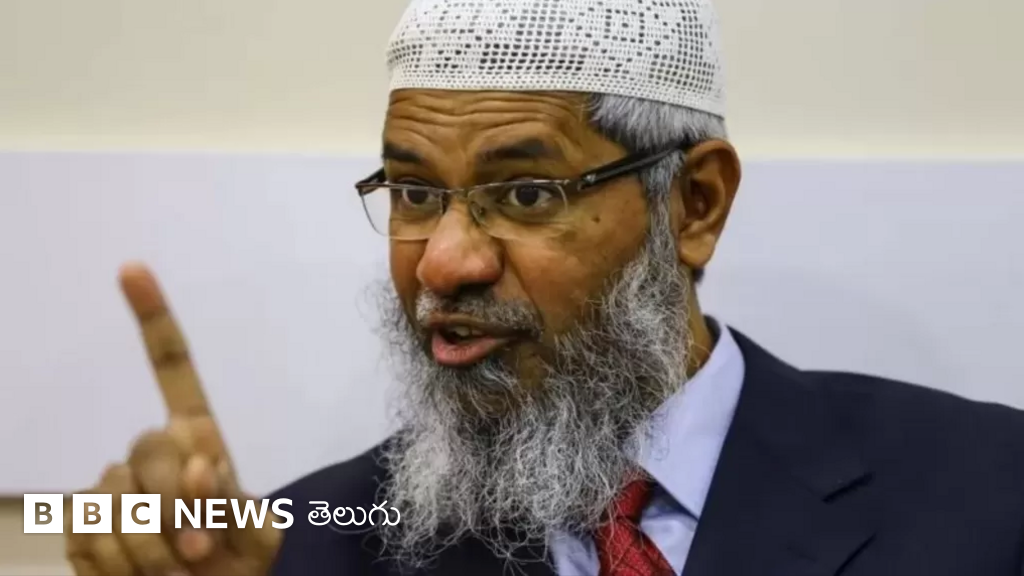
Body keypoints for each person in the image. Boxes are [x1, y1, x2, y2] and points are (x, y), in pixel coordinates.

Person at [64, 0, 1024, 575]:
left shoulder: (991, 494)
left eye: (526, 193)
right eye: (414, 192)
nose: (443, 263)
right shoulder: (307, 543)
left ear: (694, 204)